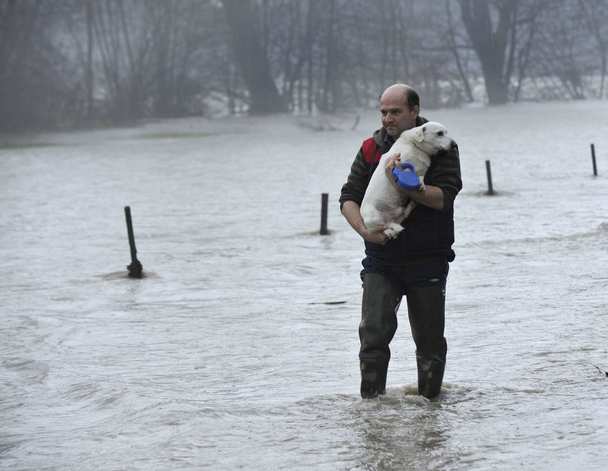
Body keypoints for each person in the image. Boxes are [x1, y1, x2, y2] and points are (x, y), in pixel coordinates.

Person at [339, 83, 462, 399]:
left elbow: (443, 199)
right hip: (383, 258)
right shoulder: (371, 147)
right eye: (383, 112)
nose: (388, 119)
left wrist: (410, 187)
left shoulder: (440, 144)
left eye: (395, 112)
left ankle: (431, 417)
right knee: (372, 338)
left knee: (430, 343)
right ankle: (371, 415)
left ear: (414, 111)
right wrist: (365, 231)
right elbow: (348, 198)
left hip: (428, 258)